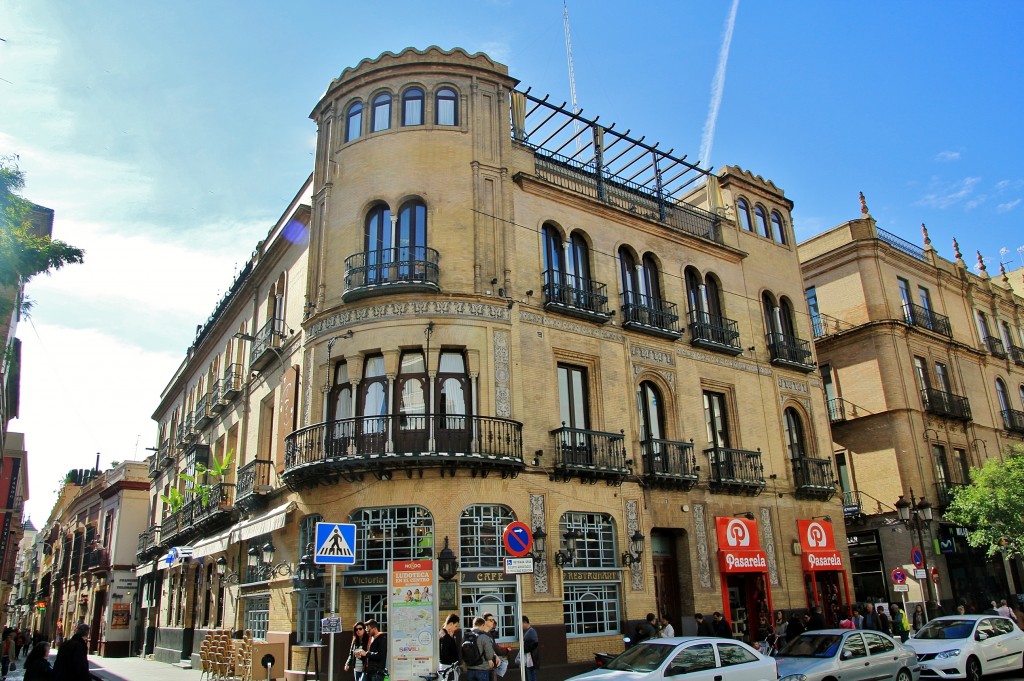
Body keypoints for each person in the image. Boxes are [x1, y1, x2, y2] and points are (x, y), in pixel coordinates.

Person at [465, 616, 497, 681]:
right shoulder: (484, 637)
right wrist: (490, 659)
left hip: (470, 669)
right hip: (482, 669)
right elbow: (489, 653)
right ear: (482, 625)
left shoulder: (465, 636)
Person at [521, 615, 539, 681]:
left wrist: (525, 649)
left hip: (531, 657)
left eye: (521, 624)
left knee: (530, 674)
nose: (521, 626)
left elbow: (535, 643)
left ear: (525, 622)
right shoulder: (525, 631)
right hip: (527, 657)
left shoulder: (532, 631)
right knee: (528, 674)